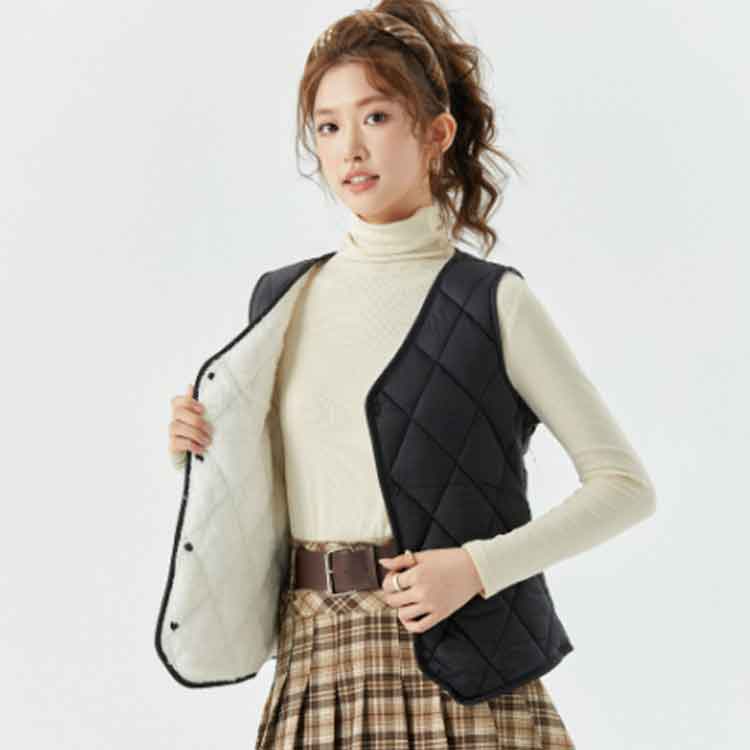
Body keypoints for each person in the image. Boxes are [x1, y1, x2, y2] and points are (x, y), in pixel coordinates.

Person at [166, 2, 656, 747]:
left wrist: (478, 568)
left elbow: (624, 486)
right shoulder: (282, 300)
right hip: (315, 666)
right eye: (328, 127)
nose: (351, 148)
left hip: (463, 673)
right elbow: (287, 484)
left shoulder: (493, 301)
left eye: (376, 117)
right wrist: (201, 450)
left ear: (436, 133)